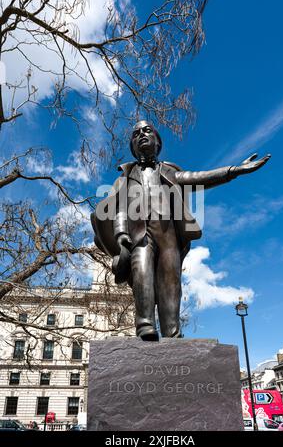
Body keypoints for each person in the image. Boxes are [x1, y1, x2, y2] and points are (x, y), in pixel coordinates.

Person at [91, 121, 270, 340]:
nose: (141, 135)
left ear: (158, 142)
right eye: (136, 133)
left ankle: (172, 332)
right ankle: (145, 325)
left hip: (168, 235)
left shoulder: (169, 172)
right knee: (142, 275)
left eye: (147, 131)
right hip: (140, 235)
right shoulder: (125, 177)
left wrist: (234, 170)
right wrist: (120, 235)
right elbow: (118, 210)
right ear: (132, 146)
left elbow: (200, 178)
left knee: (171, 282)